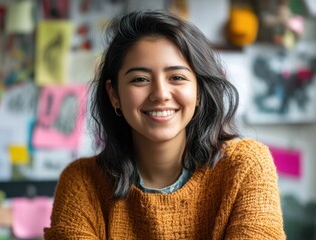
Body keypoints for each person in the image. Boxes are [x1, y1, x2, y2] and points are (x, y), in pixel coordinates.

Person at [44, 10, 285, 239]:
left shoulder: (246, 166)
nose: (160, 94)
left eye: (177, 78)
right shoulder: (81, 183)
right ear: (114, 94)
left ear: (199, 90)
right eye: (140, 79)